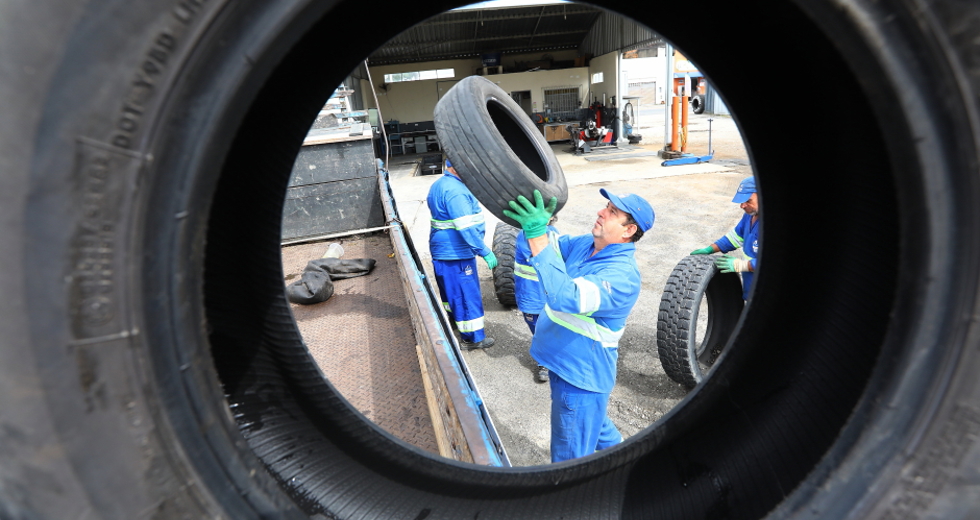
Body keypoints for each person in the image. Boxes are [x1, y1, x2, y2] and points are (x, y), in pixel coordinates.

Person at [504, 188, 654, 463]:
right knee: (593, 424)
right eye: (605, 206)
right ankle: (629, 461)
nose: (601, 212)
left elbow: (565, 297)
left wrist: (537, 233)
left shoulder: (622, 277)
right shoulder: (587, 245)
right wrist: (537, 225)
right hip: (564, 364)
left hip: (580, 378)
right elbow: (549, 246)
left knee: (569, 458)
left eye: (612, 212)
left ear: (628, 230)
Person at [427, 158, 496, 350]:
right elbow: (465, 227)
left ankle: (455, 324)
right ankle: (473, 339)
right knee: (466, 295)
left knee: (451, 294)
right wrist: (483, 250)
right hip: (456, 254)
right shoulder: (456, 192)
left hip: (443, 252)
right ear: (456, 167)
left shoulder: (440, 184)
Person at [690, 176, 759, 300]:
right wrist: (710, 249)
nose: (742, 206)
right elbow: (735, 237)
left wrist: (740, 265)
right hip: (752, 289)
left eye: (748, 201)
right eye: (741, 201)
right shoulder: (749, 216)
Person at [513, 216, 560, 383]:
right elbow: (539, 256)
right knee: (537, 330)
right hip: (530, 295)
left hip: (548, 294)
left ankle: (550, 357)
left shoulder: (553, 233)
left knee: (552, 327)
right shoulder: (525, 236)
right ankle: (543, 362)